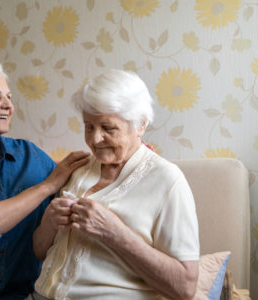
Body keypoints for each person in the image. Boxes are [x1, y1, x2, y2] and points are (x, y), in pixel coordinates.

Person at [28, 69, 200, 300]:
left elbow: (185, 287)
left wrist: (115, 233)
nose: (94, 139)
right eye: (89, 126)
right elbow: (39, 251)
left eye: (108, 128)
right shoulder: (77, 168)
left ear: (140, 125)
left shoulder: (168, 181)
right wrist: (49, 220)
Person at [0, 57, 90, 300]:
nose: (8, 105)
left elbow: (77, 183)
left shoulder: (30, 156)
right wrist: (45, 187)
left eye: (9, 97)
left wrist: (128, 160)